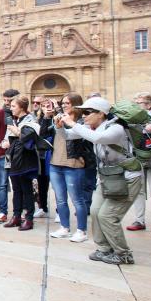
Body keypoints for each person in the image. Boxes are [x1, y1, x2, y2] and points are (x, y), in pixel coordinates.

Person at [61, 97, 142, 265]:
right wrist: (59, 126)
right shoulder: (90, 127)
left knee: (108, 215)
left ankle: (123, 254)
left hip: (127, 178)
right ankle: (104, 248)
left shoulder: (116, 128)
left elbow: (98, 138)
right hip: (108, 177)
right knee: (96, 211)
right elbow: (67, 135)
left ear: (101, 114)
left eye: (87, 112)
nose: (84, 115)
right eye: (83, 112)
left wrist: (72, 123)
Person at [46, 94, 92, 242]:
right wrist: (49, 119)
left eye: (67, 103)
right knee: (60, 199)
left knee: (77, 199)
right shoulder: (59, 117)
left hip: (73, 164)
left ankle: (81, 230)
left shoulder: (82, 121)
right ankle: (64, 227)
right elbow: (45, 133)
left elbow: (71, 135)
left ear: (76, 104)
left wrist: (64, 124)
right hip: (55, 163)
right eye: (63, 103)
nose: (64, 105)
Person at [125, 92, 151, 236]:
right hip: (138, 159)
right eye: (135, 103)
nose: (135, 106)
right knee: (138, 191)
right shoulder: (131, 118)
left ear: (149, 105)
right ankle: (139, 220)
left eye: (139, 103)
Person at [2, 96, 41, 230]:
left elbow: (27, 137)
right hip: (13, 158)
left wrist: (16, 131)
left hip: (25, 160)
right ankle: (16, 216)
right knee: (16, 189)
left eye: (13, 106)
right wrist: (5, 142)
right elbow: (9, 138)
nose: (11, 108)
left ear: (22, 108)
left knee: (26, 189)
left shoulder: (31, 120)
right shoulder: (15, 120)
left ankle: (29, 219)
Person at [0, 89, 20, 222]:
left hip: (19, 154)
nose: (7, 103)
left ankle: (19, 212)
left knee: (19, 184)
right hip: (4, 155)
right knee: (2, 183)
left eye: (10, 100)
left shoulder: (22, 114)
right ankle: (3, 212)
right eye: (5, 100)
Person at [31, 96, 51, 219]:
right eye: (43, 106)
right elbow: (40, 134)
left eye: (47, 106)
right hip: (41, 155)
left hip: (52, 155)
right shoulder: (39, 119)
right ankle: (42, 207)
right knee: (42, 183)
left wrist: (48, 117)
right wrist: (45, 117)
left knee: (56, 184)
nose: (45, 108)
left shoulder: (54, 118)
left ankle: (59, 211)